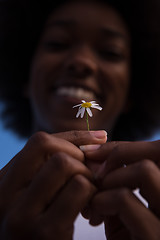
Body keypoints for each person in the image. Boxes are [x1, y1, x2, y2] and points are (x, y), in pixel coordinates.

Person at [0, 0, 160, 239]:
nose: (81, 61)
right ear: (25, 74)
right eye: (57, 43)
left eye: (110, 52)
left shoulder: (150, 212)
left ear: (132, 92)